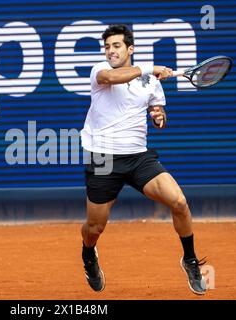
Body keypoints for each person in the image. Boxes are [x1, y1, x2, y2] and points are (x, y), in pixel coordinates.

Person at [80, 24, 207, 295]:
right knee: (94, 227)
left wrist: (159, 117)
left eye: (116, 46)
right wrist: (150, 68)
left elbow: (157, 112)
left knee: (180, 202)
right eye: (107, 47)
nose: (111, 51)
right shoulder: (99, 71)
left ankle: (190, 259)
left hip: (139, 158)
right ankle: (89, 255)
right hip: (104, 158)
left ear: (130, 49)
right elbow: (114, 78)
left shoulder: (150, 82)